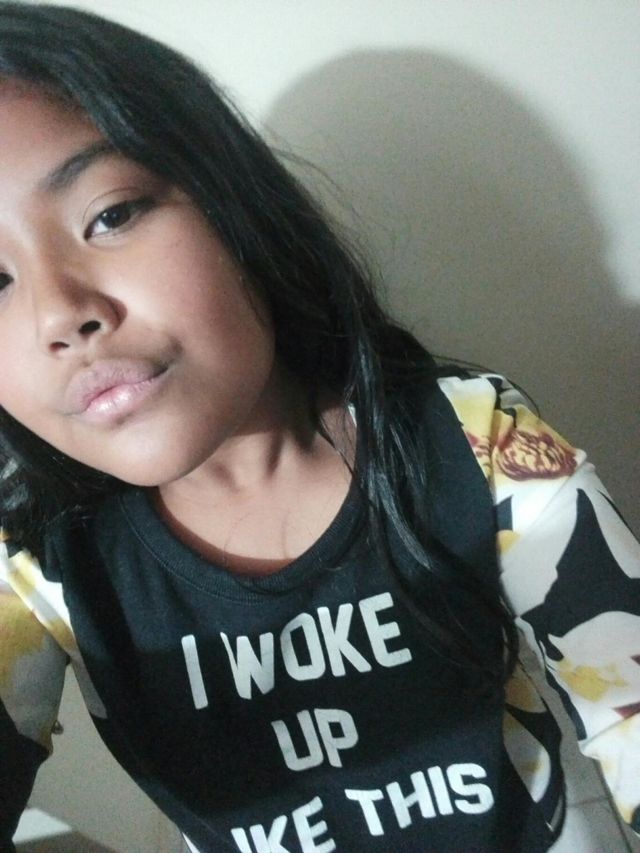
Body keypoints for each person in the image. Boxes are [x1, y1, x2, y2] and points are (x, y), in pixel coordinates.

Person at [0, 3, 638, 851]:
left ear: (234, 204)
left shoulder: (472, 442)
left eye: (111, 214)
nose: (61, 314)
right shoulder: (40, 565)